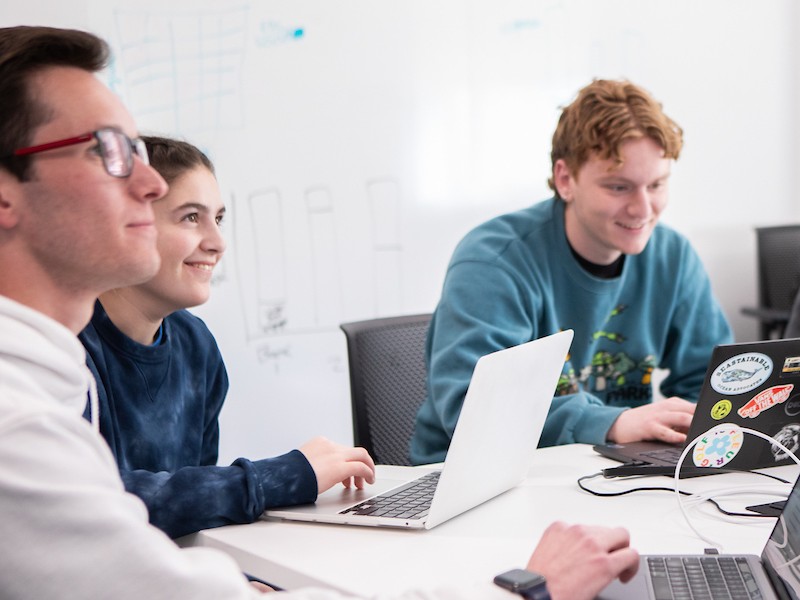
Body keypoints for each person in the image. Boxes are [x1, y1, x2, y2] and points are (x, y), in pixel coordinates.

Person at [0, 25, 639, 600]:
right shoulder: (19, 429)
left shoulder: (81, 373)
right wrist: (528, 589)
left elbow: (156, 547)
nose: (146, 183)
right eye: (108, 150)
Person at [411, 79, 733, 465]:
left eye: (657, 185)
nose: (643, 209)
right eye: (619, 187)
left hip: (601, 469)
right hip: (475, 480)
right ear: (566, 179)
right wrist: (612, 423)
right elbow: (474, 411)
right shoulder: (494, 261)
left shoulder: (673, 256)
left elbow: (714, 382)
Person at [79, 135, 376, 539]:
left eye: (218, 219)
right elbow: (97, 506)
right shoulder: (67, 350)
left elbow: (190, 516)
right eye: (190, 218)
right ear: (126, 225)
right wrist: (284, 476)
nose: (218, 243)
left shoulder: (195, 344)